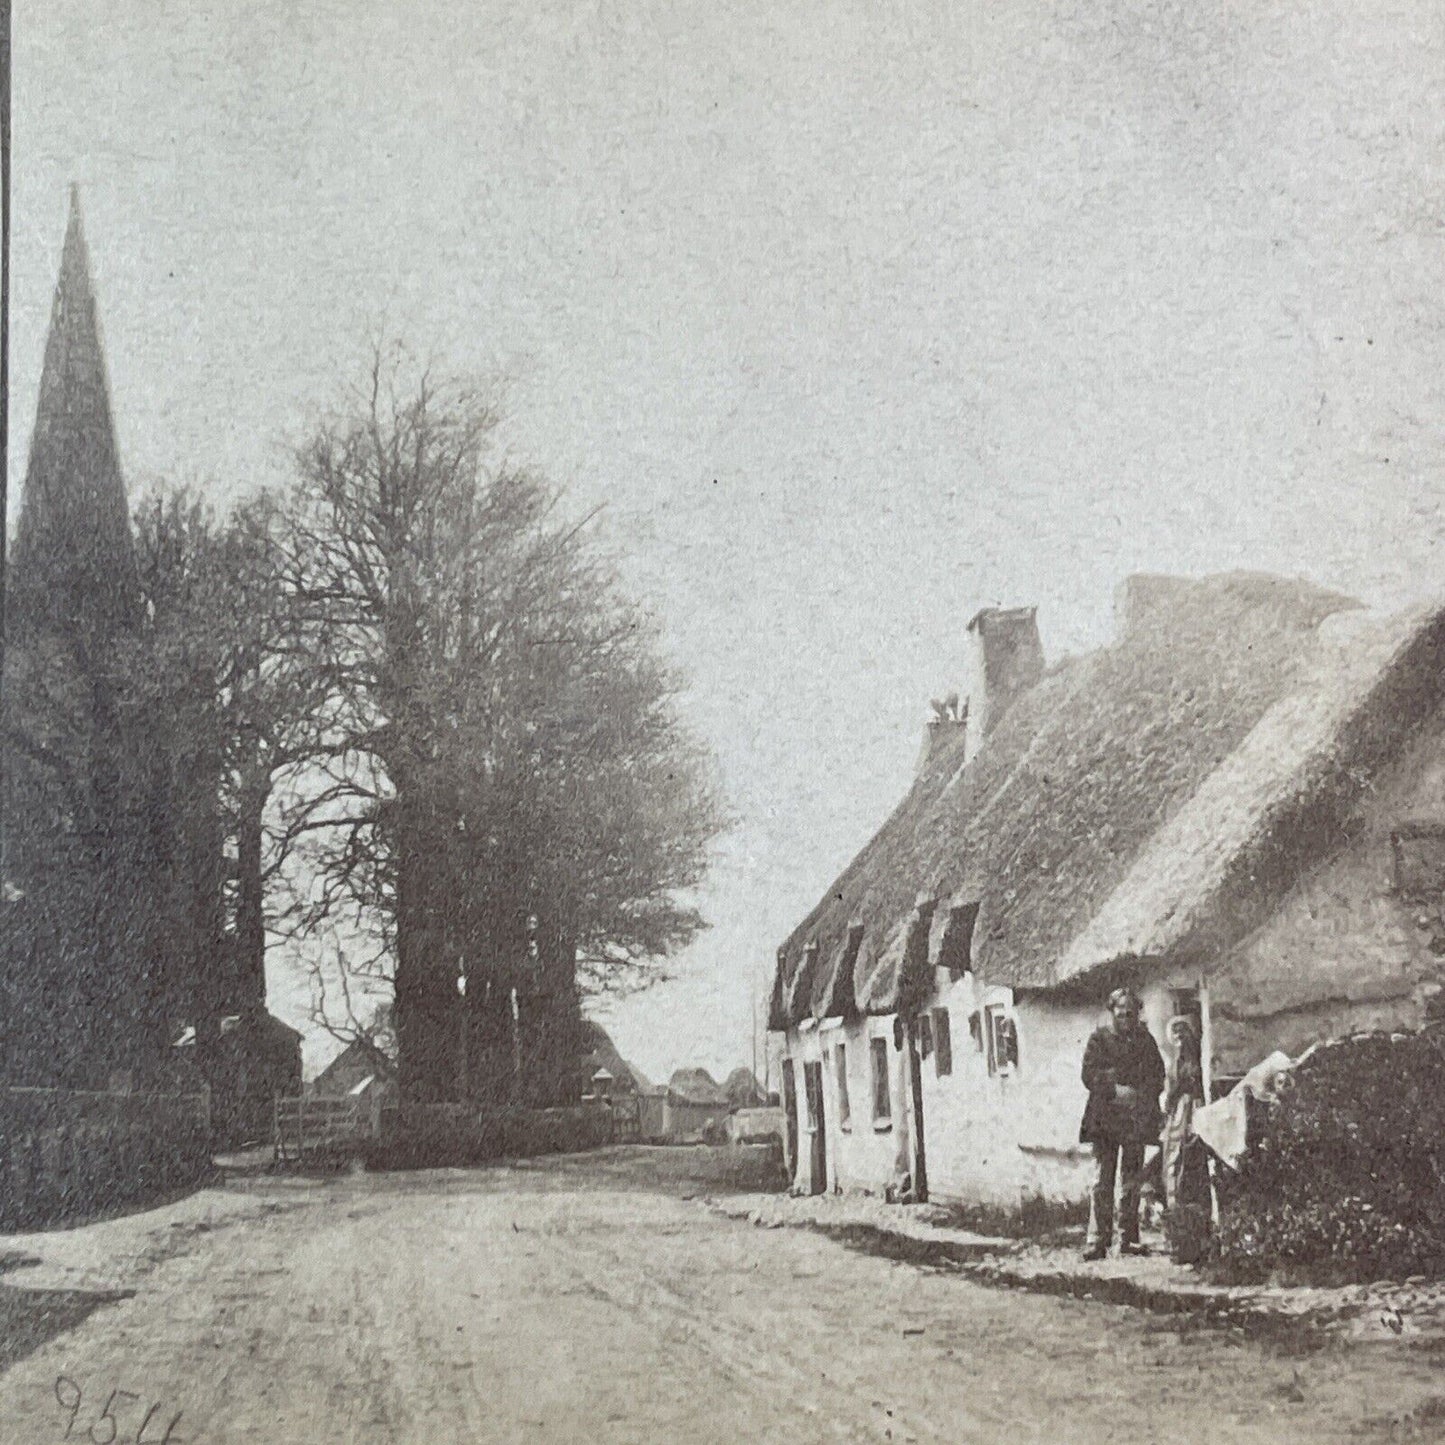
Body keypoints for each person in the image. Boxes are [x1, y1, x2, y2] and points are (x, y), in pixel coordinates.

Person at [1079, 987, 1165, 1261]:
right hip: (1105, 1117)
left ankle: (1128, 1238)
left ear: (1137, 1013)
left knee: (1131, 1180)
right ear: (1112, 1011)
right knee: (1102, 1180)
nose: (1126, 1016)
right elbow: (1089, 1074)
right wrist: (1116, 1089)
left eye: (1131, 1011)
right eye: (1121, 1011)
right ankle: (1097, 1240)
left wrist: (1142, 1096)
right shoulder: (1099, 1039)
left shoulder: (1145, 1040)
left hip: (1134, 1119)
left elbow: (1157, 1074)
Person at [1160, 1014, 1212, 1265]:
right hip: (1177, 1115)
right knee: (1173, 1167)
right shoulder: (1172, 1063)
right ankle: (1179, 1237)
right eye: (1175, 1033)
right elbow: (1170, 1090)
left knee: (1191, 1168)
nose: (1180, 1037)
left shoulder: (1197, 1060)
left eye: (1184, 1032)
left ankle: (1196, 1236)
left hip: (1193, 1111)